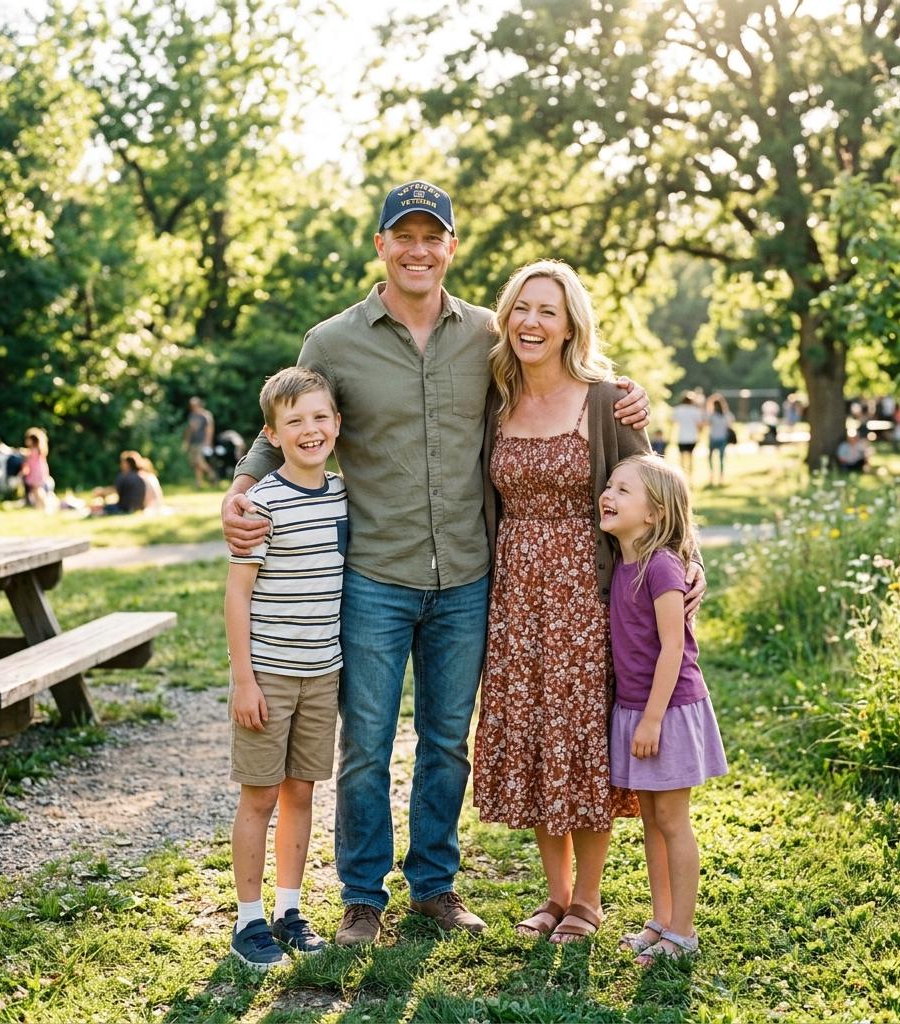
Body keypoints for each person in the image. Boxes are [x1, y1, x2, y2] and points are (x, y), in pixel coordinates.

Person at [221, 179, 654, 947]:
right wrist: (243, 486)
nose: (419, 250)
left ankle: (434, 885)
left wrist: (626, 397)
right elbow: (279, 423)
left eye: (434, 237)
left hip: (469, 576)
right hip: (375, 576)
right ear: (382, 246)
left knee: (448, 740)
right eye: (404, 236)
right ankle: (362, 896)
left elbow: (562, 378)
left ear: (452, 248)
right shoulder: (332, 342)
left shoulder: (488, 336)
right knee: (367, 742)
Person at [473, 260, 709, 945]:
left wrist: (689, 565)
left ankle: (590, 901)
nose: (532, 322)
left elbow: (660, 492)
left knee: (584, 743)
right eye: (521, 308)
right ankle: (554, 896)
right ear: (506, 317)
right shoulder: (495, 397)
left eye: (548, 310)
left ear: (571, 321)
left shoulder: (606, 401)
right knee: (542, 741)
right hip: (515, 597)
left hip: (589, 596)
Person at [226, 366, 347, 970]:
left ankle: (289, 909)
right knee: (260, 795)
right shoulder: (260, 505)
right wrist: (244, 679)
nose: (310, 429)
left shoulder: (345, 497)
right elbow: (237, 596)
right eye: (294, 421)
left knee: (301, 791)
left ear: (338, 425)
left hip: (322, 673)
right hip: (269, 675)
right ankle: (248, 921)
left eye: (320, 417)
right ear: (272, 433)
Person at [598, 453, 727, 964]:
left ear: (654, 514)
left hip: (667, 710)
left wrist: (651, 718)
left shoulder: (663, 566)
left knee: (673, 820)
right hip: (638, 707)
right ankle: (661, 920)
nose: (608, 494)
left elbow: (674, 647)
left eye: (624, 490)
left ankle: (683, 932)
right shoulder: (624, 561)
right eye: (610, 485)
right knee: (651, 818)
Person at [184, 396, 217, 487]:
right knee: (195, 463)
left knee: (199, 461)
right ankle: (199, 483)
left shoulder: (205, 415)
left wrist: (208, 441)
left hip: (202, 442)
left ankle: (212, 474)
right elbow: (189, 429)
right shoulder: (192, 415)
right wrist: (186, 442)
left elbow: (209, 429)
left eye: (194, 404)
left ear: (199, 404)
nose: (193, 406)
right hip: (193, 442)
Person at [705, 394, 734, 487]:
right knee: (721, 458)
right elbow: (730, 424)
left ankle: (712, 474)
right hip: (722, 438)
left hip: (713, 438)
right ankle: (721, 476)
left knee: (710, 457)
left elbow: (706, 423)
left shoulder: (712, 415)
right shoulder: (727, 415)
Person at [20, 428, 53, 509]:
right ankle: (39, 506)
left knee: (37, 490)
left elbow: (25, 455)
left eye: (28, 439)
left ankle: (43, 506)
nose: (26, 441)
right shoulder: (38, 450)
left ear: (33, 440)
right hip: (40, 471)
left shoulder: (34, 450)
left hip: (36, 473)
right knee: (36, 490)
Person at [670, 393, 702, 476]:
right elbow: (699, 425)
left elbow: (672, 422)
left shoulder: (678, 410)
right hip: (692, 438)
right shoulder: (695, 411)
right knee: (691, 458)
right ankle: (690, 477)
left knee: (681, 459)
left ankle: (682, 476)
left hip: (682, 437)